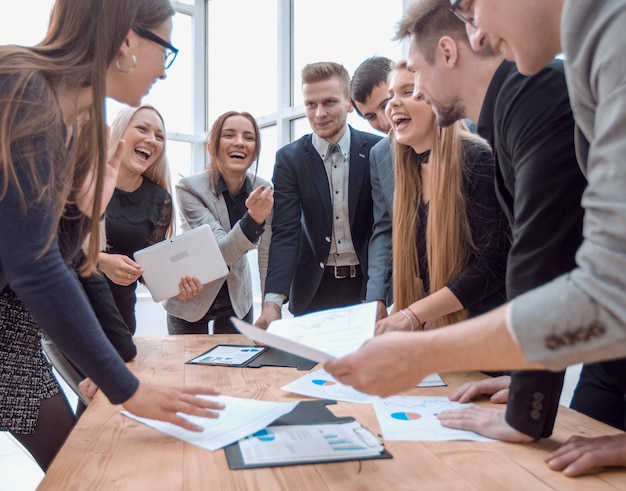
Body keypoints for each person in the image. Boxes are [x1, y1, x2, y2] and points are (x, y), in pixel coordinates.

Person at [325, 0, 626, 477]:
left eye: (414, 79)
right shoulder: (517, 106)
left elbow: (543, 265)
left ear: (447, 53)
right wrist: (530, 386)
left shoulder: (558, 79)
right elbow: (553, 265)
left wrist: (425, 353)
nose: (479, 33)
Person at [0, 0, 223, 471]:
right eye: (167, 49)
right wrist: (128, 388)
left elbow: (55, 259)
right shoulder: (22, 86)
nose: (164, 71)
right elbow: (32, 265)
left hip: (12, 339)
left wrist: (86, 211)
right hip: (9, 339)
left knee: (77, 466)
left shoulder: (71, 124)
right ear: (126, 41)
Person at [376, 60, 508, 332]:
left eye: (407, 91)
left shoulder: (477, 159)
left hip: (484, 338)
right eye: (390, 96)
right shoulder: (409, 169)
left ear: (437, 98)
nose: (392, 105)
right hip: (438, 341)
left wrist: (412, 315)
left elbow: (496, 262)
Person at [255, 62, 381, 327]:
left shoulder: (377, 149)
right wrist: (272, 303)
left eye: (329, 102)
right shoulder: (289, 159)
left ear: (349, 103)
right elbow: (286, 234)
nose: (319, 113)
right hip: (312, 292)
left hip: (368, 289)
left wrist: (382, 292)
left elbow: (385, 227)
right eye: (311, 104)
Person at [164, 111, 273, 334]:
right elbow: (219, 253)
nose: (240, 143)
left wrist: (269, 306)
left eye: (249, 137)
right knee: (186, 368)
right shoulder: (189, 188)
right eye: (229, 135)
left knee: (237, 368)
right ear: (212, 147)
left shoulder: (264, 189)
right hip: (191, 295)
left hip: (237, 299)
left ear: (255, 152)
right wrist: (254, 219)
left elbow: (267, 253)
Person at [97, 104, 173, 333]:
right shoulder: (86, 182)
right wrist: (100, 261)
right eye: (143, 129)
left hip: (121, 322)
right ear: (119, 131)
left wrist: (181, 282)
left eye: (159, 136)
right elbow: (53, 250)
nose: (152, 140)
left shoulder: (160, 199)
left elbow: (148, 271)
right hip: (72, 316)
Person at [350, 56, 395, 320]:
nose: (384, 122)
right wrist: (376, 294)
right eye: (370, 117)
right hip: (403, 292)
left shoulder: (464, 132)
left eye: (386, 105)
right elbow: (384, 228)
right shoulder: (379, 155)